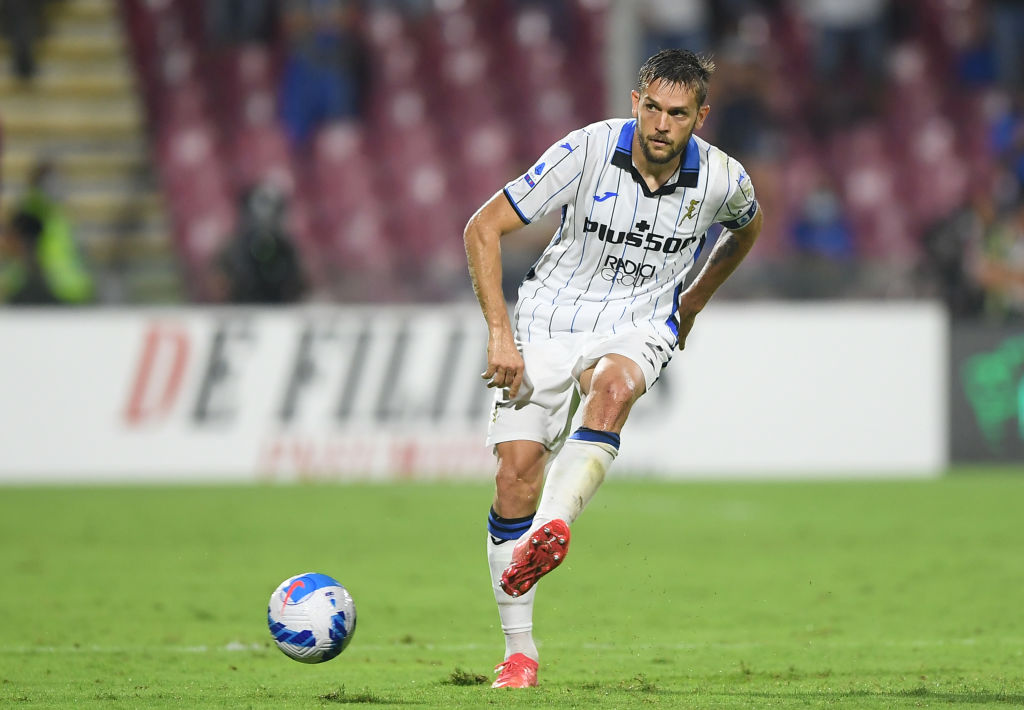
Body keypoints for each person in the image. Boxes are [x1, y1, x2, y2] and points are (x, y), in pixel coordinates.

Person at [464, 49, 763, 689]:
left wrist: (692, 303)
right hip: (548, 318)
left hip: (641, 320)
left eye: (677, 114)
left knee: (617, 386)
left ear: (700, 117)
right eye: (652, 107)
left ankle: (554, 526)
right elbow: (482, 227)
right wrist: (500, 333)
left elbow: (747, 227)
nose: (661, 124)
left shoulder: (723, 179)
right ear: (636, 102)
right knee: (515, 477)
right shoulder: (587, 151)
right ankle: (519, 653)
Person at [217, 181, 307, 303]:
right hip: (242, 307)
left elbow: (300, 286)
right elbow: (221, 288)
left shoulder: (287, 251)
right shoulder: (232, 252)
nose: (264, 223)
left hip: (281, 307)